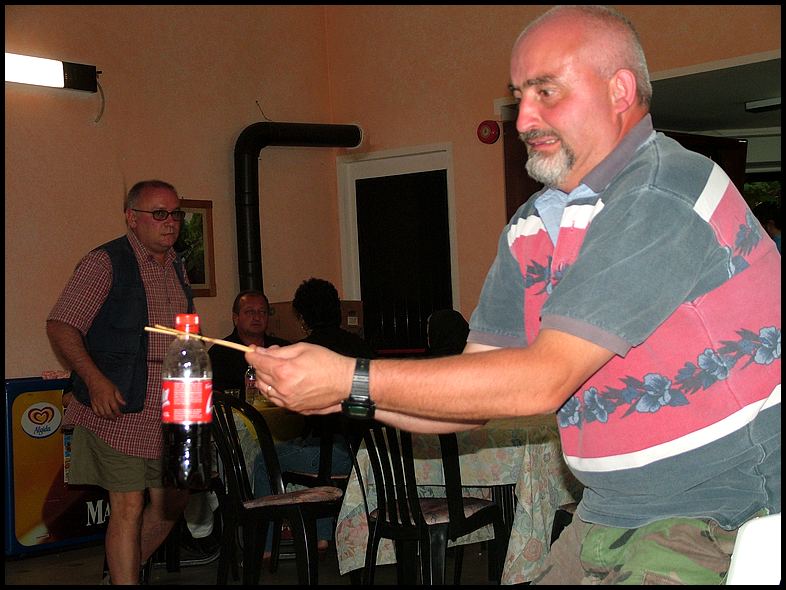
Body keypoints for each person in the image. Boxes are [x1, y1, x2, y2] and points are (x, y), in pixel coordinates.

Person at [246, 5, 781, 585]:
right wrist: (341, 397)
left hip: (721, 512)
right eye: (519, 96)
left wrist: (349, 377)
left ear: (619, 90)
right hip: (610, 509)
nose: (524, 118)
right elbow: (476, 394)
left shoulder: (663, 190)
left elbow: (542, 380)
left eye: (546, 92)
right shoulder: (532, 225)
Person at [46, 180, 194, 584]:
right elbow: (61, 325)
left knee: (173, 502)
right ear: (132, 218)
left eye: (175, 214)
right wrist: (94, 381)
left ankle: (117, 576)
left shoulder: (177, 266)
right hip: (120, 409)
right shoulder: (105, 262)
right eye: (159, 213)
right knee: (127, 508)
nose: (170, 222)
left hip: (169, 412)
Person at [252, 277, 375, 557]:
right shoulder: (362, 348)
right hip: (369, 453)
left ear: (302, 317)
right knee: (319, 444)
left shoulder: (303, 353)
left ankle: (266, 546)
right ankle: (320, 535)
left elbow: (292, 408)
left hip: (335, 455)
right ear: (337, 309)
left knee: (264, 459)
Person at [208, 289, 290, 394]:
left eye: (262, 312)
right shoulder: (219, 354)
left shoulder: (282, 349)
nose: (257, 317)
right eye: (250, 312)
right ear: (236, 318)